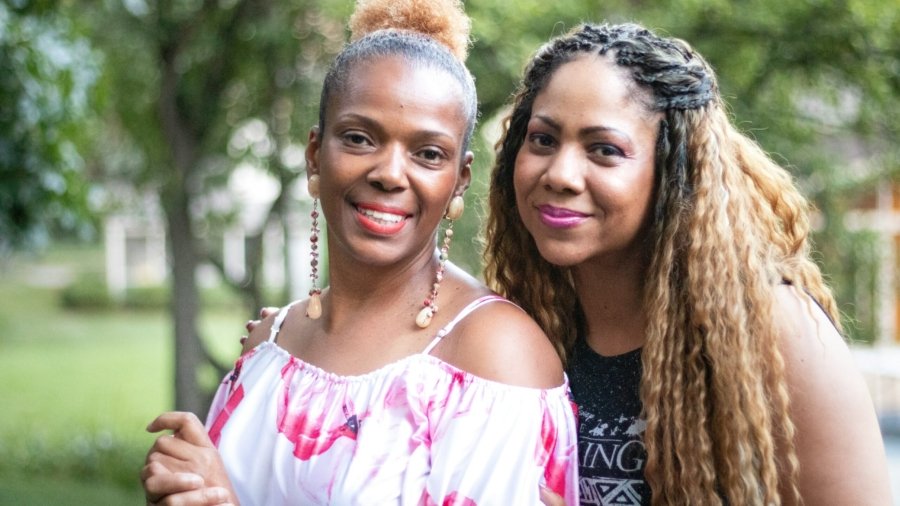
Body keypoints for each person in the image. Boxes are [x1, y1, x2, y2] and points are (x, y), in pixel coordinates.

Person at [139, 1, 579, 505]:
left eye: (428, 153)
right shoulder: (267, 346)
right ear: (314, 154)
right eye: (358, 138)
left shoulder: (493, 357)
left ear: (460, 178)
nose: (390, 173)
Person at [483, 22, 893, 505]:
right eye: (544, 140)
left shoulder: (770, 328)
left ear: (675, 172)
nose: (561, 174)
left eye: (605, 150)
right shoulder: (524, 319)